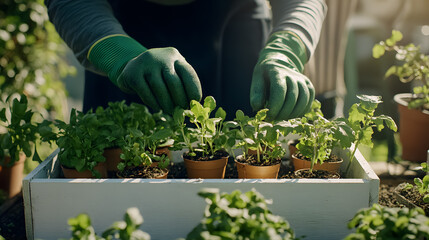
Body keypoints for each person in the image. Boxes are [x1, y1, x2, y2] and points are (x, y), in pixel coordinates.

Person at [45, 0, 326, 120]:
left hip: (235, 29)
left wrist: (286, 50)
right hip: (119, 27)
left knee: (242, 158)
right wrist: (119, 54)